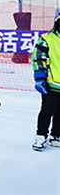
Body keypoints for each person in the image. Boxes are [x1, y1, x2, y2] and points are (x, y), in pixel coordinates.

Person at [31, 14, 60, 151]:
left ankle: (56, 135)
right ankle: (41, 136)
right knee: (47, 110)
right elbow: (39, 59)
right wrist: (40, 77)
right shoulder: (47, 39)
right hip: (51, 83)